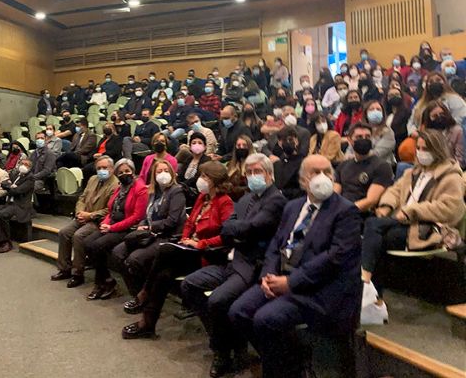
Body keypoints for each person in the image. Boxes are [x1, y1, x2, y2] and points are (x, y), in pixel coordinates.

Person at [228, 155, 362, 378]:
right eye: (315, 172)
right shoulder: (293, 206)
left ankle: (279, 369)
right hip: (283, 277)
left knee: (266, 319)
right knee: (238, 312)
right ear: (302, 180)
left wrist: (291, 282)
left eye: (327, 172)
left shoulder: (345, 211)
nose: (322, 178)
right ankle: (290, 364)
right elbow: (275, 245)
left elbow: (334, 258)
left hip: (320, 289)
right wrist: (267, 275)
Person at [182, 154, 287, 377]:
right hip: (231, 260)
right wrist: (239, 231)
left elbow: (252, 227)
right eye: (248, 173)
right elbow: (228, 228)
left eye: (257, 172)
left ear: (269, 174)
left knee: (217, 300)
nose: (252, 177)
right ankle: (226, 341)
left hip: (250, 264)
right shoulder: (247, 198)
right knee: (190, 285)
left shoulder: (275, 199)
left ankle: (222, 351)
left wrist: (238, 231)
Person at [121, 162, 234, 339]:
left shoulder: (225, 203)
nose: (200, 180)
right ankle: (148, 323)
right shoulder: (202, 198)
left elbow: (227, 236)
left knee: (164, 250)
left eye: (205, 176)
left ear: (215, 180)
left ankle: (144, 292)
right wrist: (185, 238)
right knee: (163, 275)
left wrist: (200, 244)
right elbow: (189, 222)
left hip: (206, 253)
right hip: (188, 249)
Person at [362, 130, 466, 321]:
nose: (420, 152)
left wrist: (413, 211)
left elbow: (451, 208)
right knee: (374, 232)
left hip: (428, 228)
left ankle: (368, 288)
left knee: (375, 230)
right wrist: (386, 205)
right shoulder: (413, 172)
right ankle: (371, 293)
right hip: (401, 222)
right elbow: (394, 190)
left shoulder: (451, 176)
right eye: (418, 148)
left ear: (437, 150)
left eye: (425, 149)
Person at [113, 159, 187, 312]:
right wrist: (142, 225)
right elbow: (147, 215)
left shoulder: (176, 191)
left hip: (166, 235)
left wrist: (151, 226)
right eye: (158, 172)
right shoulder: (152, 192)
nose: (162, 174)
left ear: (172, 173)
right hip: (148, 233)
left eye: (166, 171)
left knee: (135, 259)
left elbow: (172, 221)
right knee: (118, 252)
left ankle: (145, 296)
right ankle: (137, 292)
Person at [83, 158, 149, 300]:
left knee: (97, 246)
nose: (124, 174)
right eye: (121, 172)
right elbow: (111, 209)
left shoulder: (140, 188)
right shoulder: (119, 188)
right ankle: (107, 280)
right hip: (112, 225)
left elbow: (137, 217)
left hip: (127, 228)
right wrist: (105, 223)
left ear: (133, 171)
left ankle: (101, 283)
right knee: (87, 242)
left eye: (127, 171)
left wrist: (111, 227)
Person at [51, 156, 118, 286]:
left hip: (98, 220)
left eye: (105, 168)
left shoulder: (115, 185)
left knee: (78, 236)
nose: (101, 170)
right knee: (64, 232)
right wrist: (79, 213)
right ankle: (64, 269)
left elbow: (109, 210)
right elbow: (82, 197)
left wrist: (90, 215)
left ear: (112, 169)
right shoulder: (93, 179)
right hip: (83, 216)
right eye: (99, 168)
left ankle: (78, 274)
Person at [335, 122, 394, 216]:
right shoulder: (343, 165)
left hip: (360, 214)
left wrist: (344, 212)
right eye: (359, 137)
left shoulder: (382, 166)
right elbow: (335, 194)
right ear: (350, 140)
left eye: (367, 137)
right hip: (340, 211)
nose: (364, 139)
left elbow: (371, 201)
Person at [0, 158, 37, 253]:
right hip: (8, 203)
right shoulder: (16, 175)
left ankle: (6, 243)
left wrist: (10, 187)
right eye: (22, 163)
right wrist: (10, 186)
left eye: (26, 165)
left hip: (19, 205)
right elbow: (4, 183)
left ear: (30, 168)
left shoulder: (30, 178)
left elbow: (18, 191)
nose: (23, 166)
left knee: (2, 215)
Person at [421, 102, 465, 168]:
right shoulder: (427, 134)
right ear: (429, 119)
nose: (439, 117)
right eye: (435, 116)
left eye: (442, 114)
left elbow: (461, 161)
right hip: (430, 168)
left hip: (450, 169)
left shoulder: (457, 131)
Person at [271, 125, 305, 200]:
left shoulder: (303, 163)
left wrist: (283, 193)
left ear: (296, 141)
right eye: (284, 140)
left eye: (290, 139)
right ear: (279, 143)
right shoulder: (278, 164)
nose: (287, 143)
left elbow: (303, 190)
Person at [28, 131, 58, 209]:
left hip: (43, 180)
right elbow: (29, 167)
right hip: (32, 179)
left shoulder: (50, 153)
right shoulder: (33, 153)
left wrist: (33, 177)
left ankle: (33, 207)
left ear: (45, 139)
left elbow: (46, 171)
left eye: (42, 138)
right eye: (38, 138)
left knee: (27, 187)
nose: (39, 140)